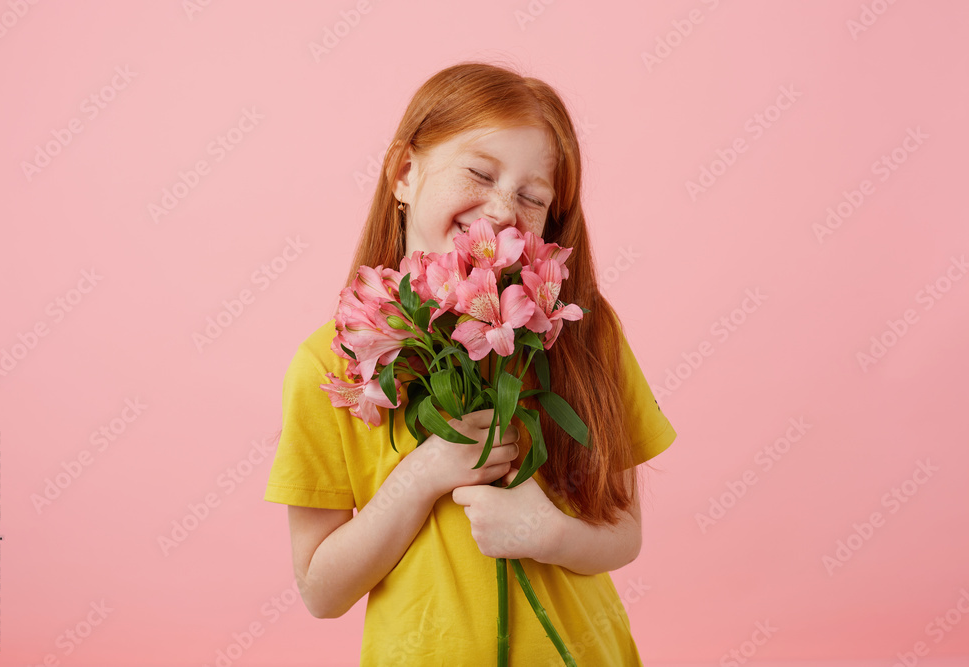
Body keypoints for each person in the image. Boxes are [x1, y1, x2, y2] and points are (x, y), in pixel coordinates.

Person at [264, 61, 677, 666]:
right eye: (479, 173)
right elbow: (321, 591)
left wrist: (549, 532)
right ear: (404, 172)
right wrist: (422, 474)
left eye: (534, 198)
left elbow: (625, 533)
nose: (504, 209)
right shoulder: (331, 360)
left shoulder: (584, 334)